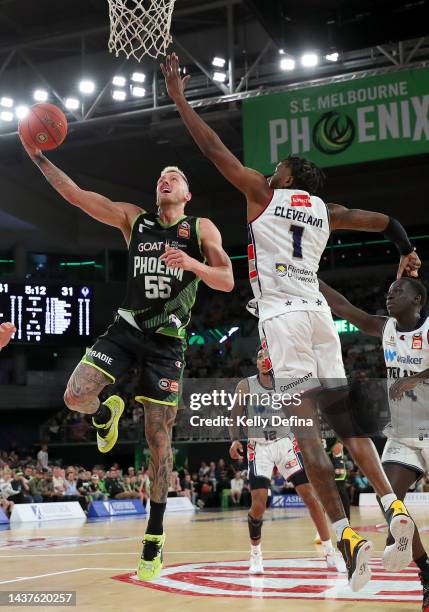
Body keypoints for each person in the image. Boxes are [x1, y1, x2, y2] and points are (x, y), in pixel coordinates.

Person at [161, 52, 420, 590]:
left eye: (280, 163)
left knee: (308, 439)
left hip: (282, 317)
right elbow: (387, 222)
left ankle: (347, 536)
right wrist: (407, 254)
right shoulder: (327, 210)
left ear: (288, 176)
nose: (272, 166)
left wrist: (181, 99)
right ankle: (392, 505)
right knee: (349, 427)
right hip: (322, 317)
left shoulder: (263, 193)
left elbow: (212, 149)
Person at [19, 132, 233, 582]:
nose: (165, 180)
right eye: (161, 177)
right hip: (127, 328)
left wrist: (192, 265)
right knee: (76, 397)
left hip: (167, 343)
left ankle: (154, 536)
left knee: (159, 441)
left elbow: (226, 281)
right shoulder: (134, 221)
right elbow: (76, 196)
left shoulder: (200, 229)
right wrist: (38, 158)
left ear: (187, 194)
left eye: (173, 177)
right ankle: (105, 412)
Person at [320, 276, 429, 610]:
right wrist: (308, 274)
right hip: (402, 433)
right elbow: (343, 308)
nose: (390, 296)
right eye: (388, 292)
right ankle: (427, 574)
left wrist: (414, 378)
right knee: (389, 499)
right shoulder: (385, 329)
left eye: (398, 292)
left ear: (417, 300)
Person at [229, 347, 345, 574]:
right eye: (259, 357)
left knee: (311, 498)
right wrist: (234, 440)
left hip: (286, 445)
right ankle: (255, 555)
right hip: (259, 448)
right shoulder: (245, 385)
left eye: (267, 357)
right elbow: (235, 414)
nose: (263, 360)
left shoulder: (287, 383)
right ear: (256, 362)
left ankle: (330, 553)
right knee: (259, 505)